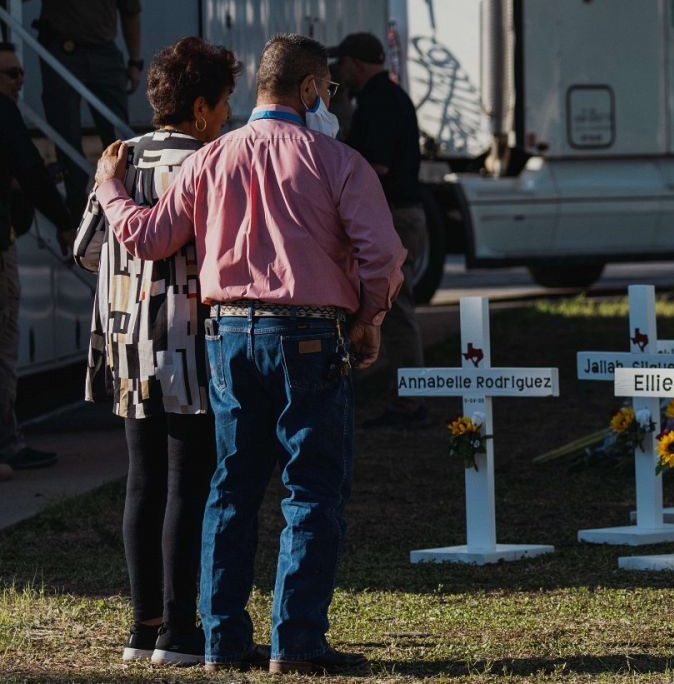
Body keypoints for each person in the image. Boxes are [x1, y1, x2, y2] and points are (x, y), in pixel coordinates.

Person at [92, 34, 403, 675]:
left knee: (230, 490)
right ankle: (297, 645)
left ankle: (222, 641)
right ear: (311, 88)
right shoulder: (338, 161)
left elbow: (148, 237)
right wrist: (370, 318)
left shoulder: (212, 159)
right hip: (311, 333)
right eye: (328, 90)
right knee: (311, 491)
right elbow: (383, 255)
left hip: (228, 333)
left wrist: (109, 188)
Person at [72, 37, 237, 667]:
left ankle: (143, 627)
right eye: (224, 104)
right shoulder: (213, 160)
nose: (228, 115)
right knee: (187, 486)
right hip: (189, 339)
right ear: (200, 109)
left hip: (125, 338)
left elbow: (87, 250)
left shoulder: (119, 157)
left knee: (142, 484)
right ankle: (178, 630)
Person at [331, 32, 427, 426]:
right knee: (393, 306)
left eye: (343, 66)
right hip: (405, 212)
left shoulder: (377, 102)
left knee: (397, 307)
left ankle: (411, 400)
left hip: (397, 215)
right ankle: (400, 392)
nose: (342, 74)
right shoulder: (388, 97)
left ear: (355, 63)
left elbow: (377, 167)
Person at [23, 0, 143, 204]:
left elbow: (130, 14)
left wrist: (135, 61)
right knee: (67, 138)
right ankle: (76, 215)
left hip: (104, 55)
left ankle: (126, 209)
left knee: (119, 140)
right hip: (63, 54)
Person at [0, 42, 73, 476]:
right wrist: (64, 221)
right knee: (4, 345)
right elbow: (32, 171)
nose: (19, 80)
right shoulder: (5, 113)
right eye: (10, 73)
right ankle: (7, 444)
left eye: (21, 72)